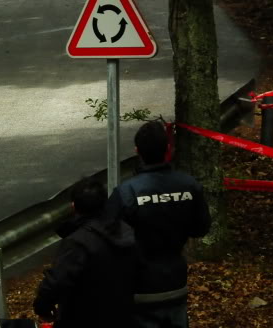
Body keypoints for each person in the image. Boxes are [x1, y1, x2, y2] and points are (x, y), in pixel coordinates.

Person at [106, 120, 212, 328]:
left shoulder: (127, 192)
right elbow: (201, 228)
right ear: (168, 149)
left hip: (139, 287)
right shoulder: (189, 186)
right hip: (176, 282)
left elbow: (108, 237)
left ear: (137, 151)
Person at [34, 177, 136, 328]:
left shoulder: (78, 242)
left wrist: (42, 307)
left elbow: (57, 281)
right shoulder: (125, 231)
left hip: (83, 318)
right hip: (122, 316)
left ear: (74, 206)